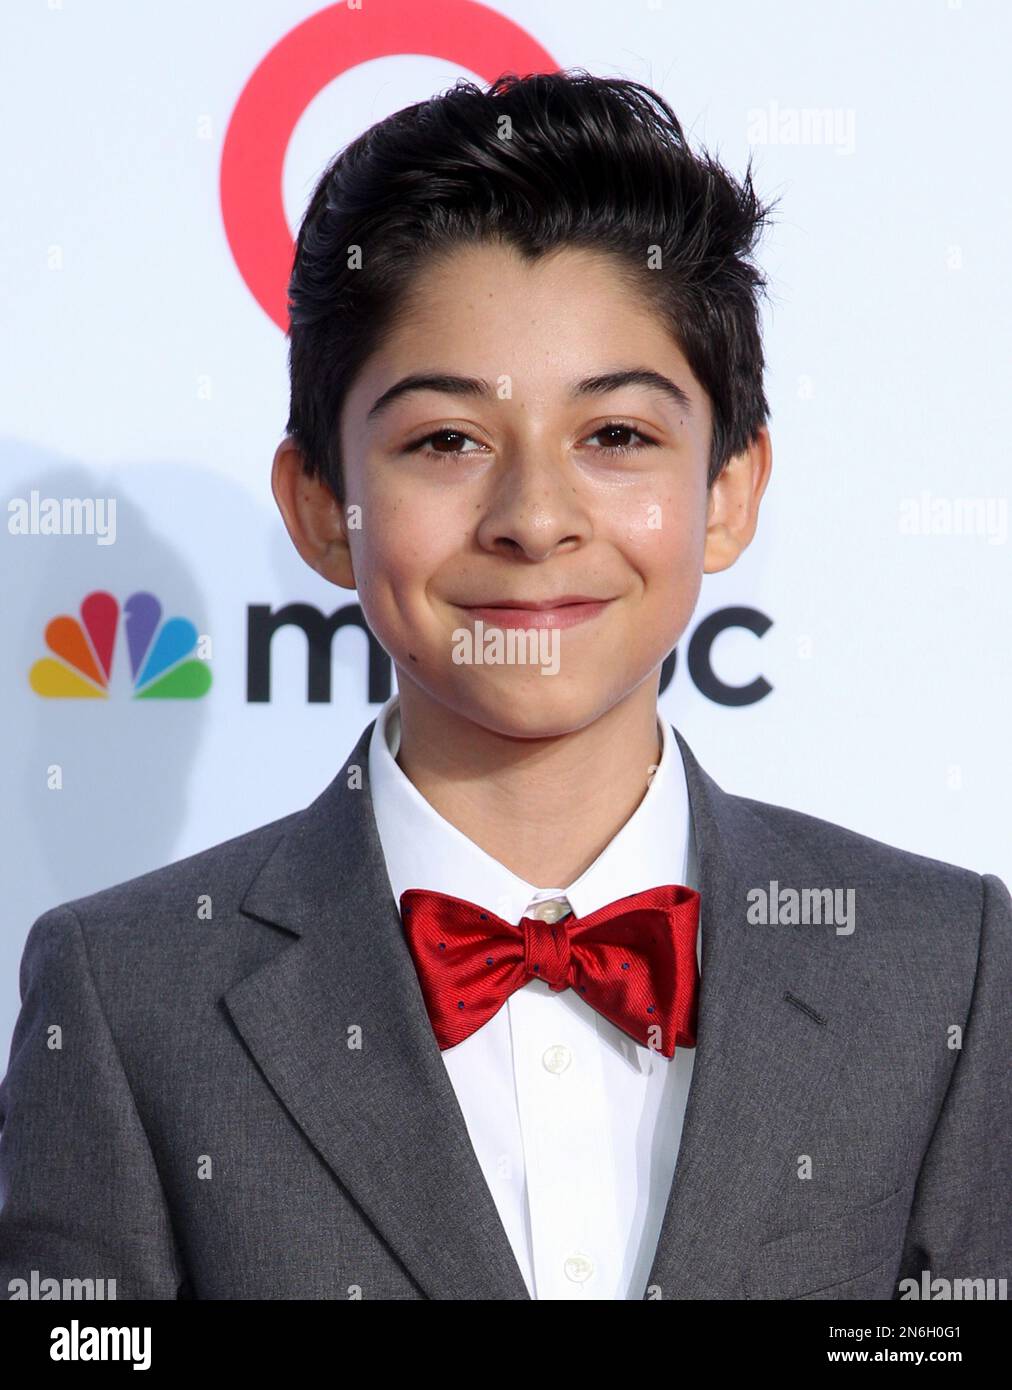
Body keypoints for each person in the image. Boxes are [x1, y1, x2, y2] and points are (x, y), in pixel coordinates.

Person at [1, 70, 1008, 1302]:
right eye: (445, 442)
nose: (534, 518)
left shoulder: (937, 965)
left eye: (617, 436)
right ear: (322, 507)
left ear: (731, 491)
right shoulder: (125, 992)